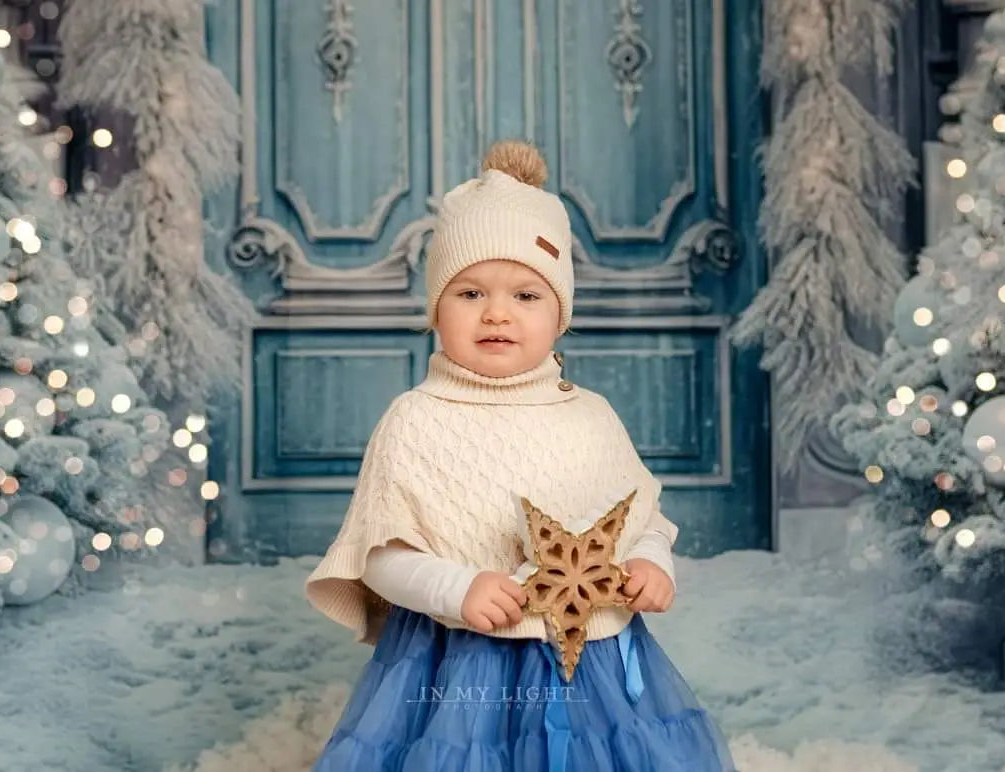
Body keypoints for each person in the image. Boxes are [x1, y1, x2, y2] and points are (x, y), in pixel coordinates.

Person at [305, 139, 735, 771]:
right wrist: (457, 587)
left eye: (527, 296)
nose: (497, 314)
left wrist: (649, 562)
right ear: (435, 310)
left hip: (591, 659)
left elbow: (642, 518)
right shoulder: (415, 420)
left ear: (560, 314)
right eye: (470, 293)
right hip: (456, 664)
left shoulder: (588, 415)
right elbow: (380, 552)